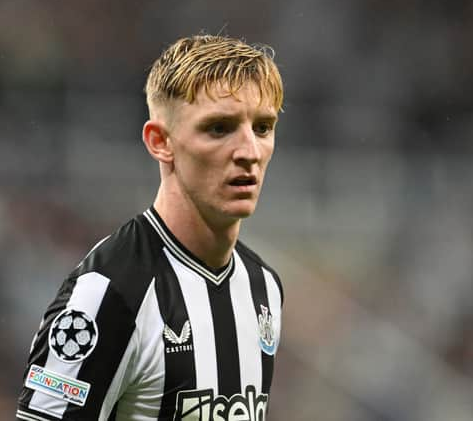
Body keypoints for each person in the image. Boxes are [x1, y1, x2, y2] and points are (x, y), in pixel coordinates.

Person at [16, 34, 284, 421]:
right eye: (219, 128)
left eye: (262, 127)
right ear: (161, 142)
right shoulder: (109, 292)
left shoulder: (264, 285)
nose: (249, 152)